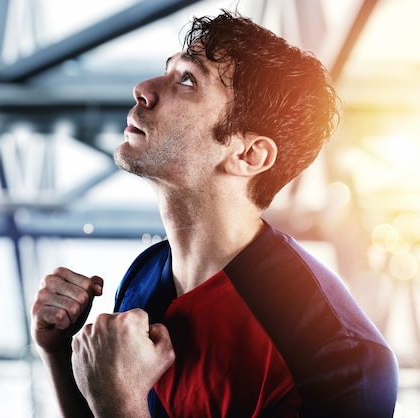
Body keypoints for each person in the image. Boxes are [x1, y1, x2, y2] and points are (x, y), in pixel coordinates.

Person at [30, 9, 398, 418]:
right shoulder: (146, 273)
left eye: (188, 80)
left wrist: (120, 405)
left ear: (248, 154)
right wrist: (59, 355)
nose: (143, 89)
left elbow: (117, 405)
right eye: (168, 71)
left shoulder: (340, 360)